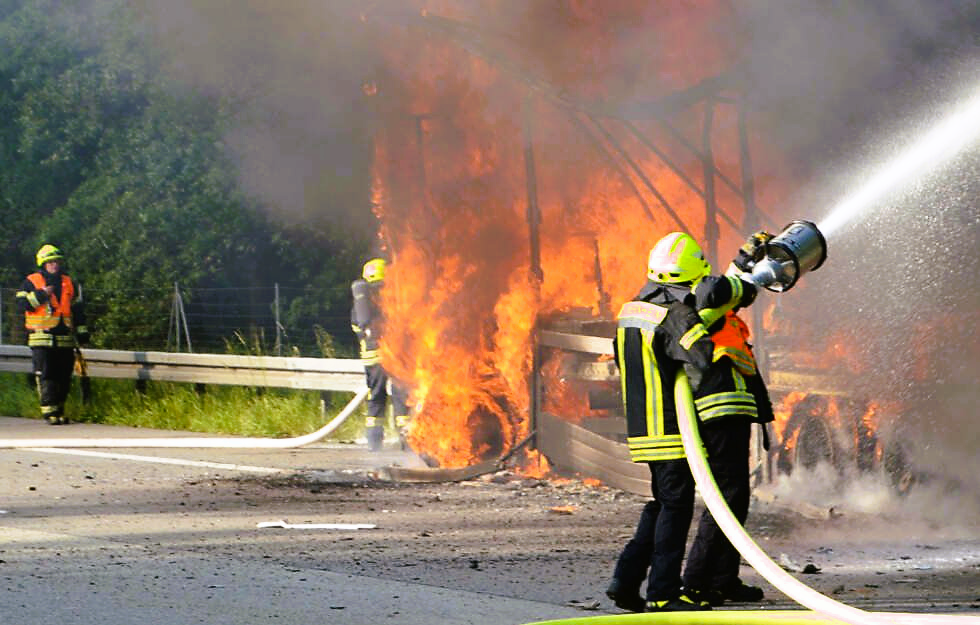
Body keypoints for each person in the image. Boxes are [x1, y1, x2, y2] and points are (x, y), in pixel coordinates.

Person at [605, 232, 717, 613]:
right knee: (676, 508)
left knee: (662, 502)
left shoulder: (631, 311)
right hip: (671, 429)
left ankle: (625, 580)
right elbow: (703, 357)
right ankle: (664, 593)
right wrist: (705, 312)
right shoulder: (677, 315)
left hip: (641, 427)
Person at [681, 232, 774, 608]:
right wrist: (744, 269)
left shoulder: (710, 301)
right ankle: (696, 582)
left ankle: (723, 579)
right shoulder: (699, 300)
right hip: (720, 411)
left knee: (735, 498)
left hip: (732, 411)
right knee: (725, 498)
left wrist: (745, 257)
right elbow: (721, 290)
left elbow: (730, 288)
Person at [16, 244, 88, 425]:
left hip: (64, 338)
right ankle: (49, 412)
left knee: (63, 375)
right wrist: (40, 295)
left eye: (57, 261)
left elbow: (77, 309)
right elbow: (21, 305)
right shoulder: (32, 281)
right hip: (41, 337)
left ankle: (60, 409)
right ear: (43, 263)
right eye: (51, 262)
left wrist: (82, 332)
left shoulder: (68, 282)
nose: (55, 265)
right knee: (46, 374)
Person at [350, 258, 410, 451]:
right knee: (401, 396)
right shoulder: (389, 301)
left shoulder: (360, 308)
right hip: (392, 355)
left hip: (372, 358)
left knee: (376, 399)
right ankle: (407, 442)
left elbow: (357, 328)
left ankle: (374, 445)